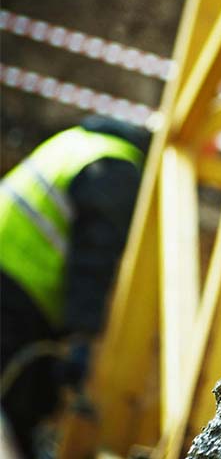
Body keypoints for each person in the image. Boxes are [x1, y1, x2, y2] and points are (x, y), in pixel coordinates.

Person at [0, 116, 149, 458]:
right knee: (19, 403)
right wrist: (81, 336)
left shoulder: (76, 141)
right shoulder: (117, 168)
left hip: (14, 280)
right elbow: (93, 261)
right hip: (17, 289)